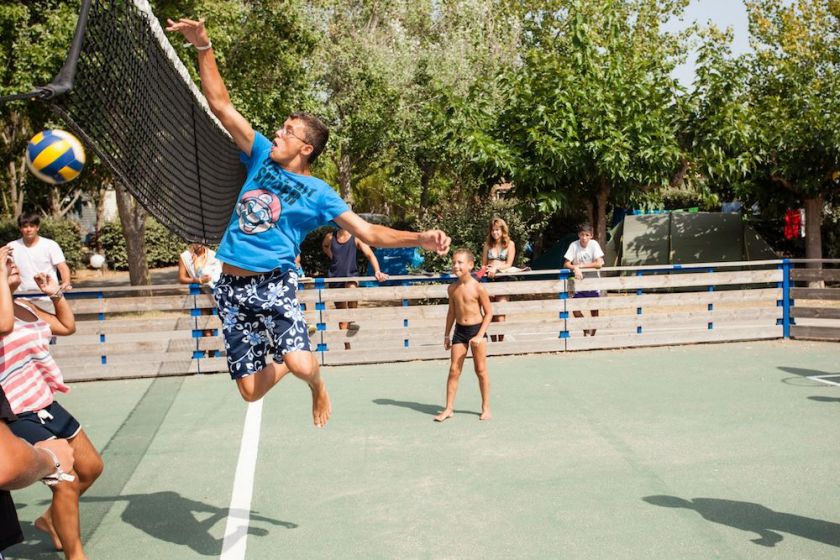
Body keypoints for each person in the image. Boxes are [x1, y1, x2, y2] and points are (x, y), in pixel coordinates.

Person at [166, 18, 450, 428]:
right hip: (229, 287)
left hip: (273, 282)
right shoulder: (260, 155)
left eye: (288, 131)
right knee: (250, 392)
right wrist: (202, 46)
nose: (278, 133)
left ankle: (317, 383)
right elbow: (222, 107)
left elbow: (369, 232)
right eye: (281, 128)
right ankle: (292, 360)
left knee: (301, 366)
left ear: (306, 148)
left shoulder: (319, 193)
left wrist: (420, 237)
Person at [0, 246, 104, 560]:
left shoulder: (25, 305)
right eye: (5, 262)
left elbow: (66, 327)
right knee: (66, 480)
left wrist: (55, 294)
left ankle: (50, 518)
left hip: (45, 404)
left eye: (11, 261)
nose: (11, 265)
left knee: (91, 468)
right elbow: (4, 326)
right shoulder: (2, 314)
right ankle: (76, 555)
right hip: (18, 413)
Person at [1, 384, 75, 560]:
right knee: (69, 482)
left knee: (91, 468)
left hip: (40, 401)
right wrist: (52, 459)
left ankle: (50, 519)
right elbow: (5, 466)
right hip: (24, 411)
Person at [435, 249, 493, 422]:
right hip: (459, 332)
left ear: (470, 265)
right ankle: (448, 408)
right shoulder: (452, 288)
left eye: (460, 262)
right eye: (454, 262)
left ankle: (486, 407)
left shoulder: (478, 287)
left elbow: (489, 313)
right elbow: (451, 313)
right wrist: (446, 335)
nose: (455, 266)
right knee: (454, 369)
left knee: (480, 370)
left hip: (477, 331)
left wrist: (479, 336)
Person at [322, 228, 389, 342]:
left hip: (351, 275)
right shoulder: (330, 237)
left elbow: (370, 254)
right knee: (342, 318)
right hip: (335, 277)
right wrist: (331, 255)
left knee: (351, 289)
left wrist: (377, 271)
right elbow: (325, 246)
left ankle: (353, 318)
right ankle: (347, 347)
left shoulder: (356, 238)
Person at [8, 212, 72, 296]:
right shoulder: (11, 247)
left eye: (32, 226)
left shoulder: (50, 245)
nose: (28, 229)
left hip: (50, 296)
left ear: (37, 227)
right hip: (22, 296)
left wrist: (66, 282)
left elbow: (62, 267)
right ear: (20, 228)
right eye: (25, 226)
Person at [564, 223, 605, 336]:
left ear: (591, 235)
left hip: (593, 281)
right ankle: (585, 328)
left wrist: (581, 266)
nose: (584, 238)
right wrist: (575, 268)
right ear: (579, 235)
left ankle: (593, 334)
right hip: (578, 282)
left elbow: (599, 264)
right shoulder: (574, 245)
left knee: (594, 308)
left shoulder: (594, 244)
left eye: (587, 235)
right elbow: (566, 263)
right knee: (574, 308)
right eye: (582, 235)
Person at [481, 217, 516, 342]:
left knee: (500, 313)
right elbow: (484, 264)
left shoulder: (510, 244)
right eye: (493, 230)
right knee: (489, 312)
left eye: (497, 230)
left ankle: (500, 342)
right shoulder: (487, 244)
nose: (495, 232)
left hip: (503, 278)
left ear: (502, 230)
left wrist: (496, 268)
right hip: (488, 279)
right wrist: (481, 273)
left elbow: (509, 264)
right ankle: (493, 341)